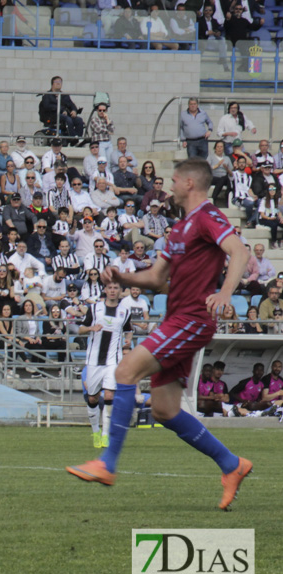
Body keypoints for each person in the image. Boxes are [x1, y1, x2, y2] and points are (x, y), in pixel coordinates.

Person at [66, 158, 254, 511]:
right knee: (165, 410)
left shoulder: (208, 216)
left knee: (124, 372)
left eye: (174, 180)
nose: (168, 186)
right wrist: (123, 278)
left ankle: (107, 464)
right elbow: (155, 278)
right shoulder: (181, 228)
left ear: (189, 184)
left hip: (193, 318)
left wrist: (226, 292)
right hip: (176, 318)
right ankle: (232, 464)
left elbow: (239, 252)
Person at [78, 280, 134, 449]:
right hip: (94, 361)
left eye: (115, 287)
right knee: (93, 398)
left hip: (113, 361)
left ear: (120, 291)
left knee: (109, 395)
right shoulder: (95, 308)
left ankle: (105, 434)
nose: (112, 290)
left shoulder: (125, 311)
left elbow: (129, 329)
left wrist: (128, 341)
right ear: (105, 290)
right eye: (109, 287)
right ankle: (95, 431)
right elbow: (80, 329)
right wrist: (90, 329)